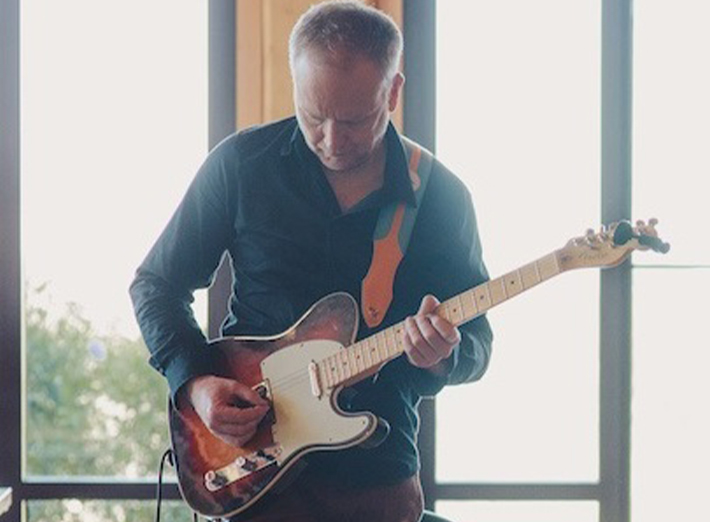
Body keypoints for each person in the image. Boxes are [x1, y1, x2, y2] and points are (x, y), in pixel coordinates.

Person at [129, 1, 492, 520]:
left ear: (392, 92)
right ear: (294, 81)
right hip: (251, 470)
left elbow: (478, 343)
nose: (331, 139)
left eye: (353, 120)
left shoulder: (442, 197)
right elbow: (156, 284)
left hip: (375, 479)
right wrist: (197, 384)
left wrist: (445, 356)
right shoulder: (239, 165)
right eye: (313, 114)